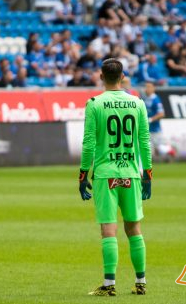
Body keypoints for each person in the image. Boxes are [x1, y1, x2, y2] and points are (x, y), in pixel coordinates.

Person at [79, 59, 152, 296]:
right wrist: (148, 173)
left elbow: (89, 143)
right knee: (134, 228)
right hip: (131, 172)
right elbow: (144, 142)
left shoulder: (94, 104)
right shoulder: (137, 103)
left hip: (105, 175)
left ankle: (109, 285)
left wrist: (82, 174)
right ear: (123, 77)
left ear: (101, 77)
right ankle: (141, 282)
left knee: (108, 231)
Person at [142, 82, 174, 161]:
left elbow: (161, 114)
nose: (147, 89)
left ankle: (171, 151)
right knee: (147, 147)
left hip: (155, 129)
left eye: (149, 87)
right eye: (146, 87)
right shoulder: (145, 99)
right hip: (147, 129)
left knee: (159, 147)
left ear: (153, 89)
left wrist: (151, 119)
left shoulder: (156, 99)